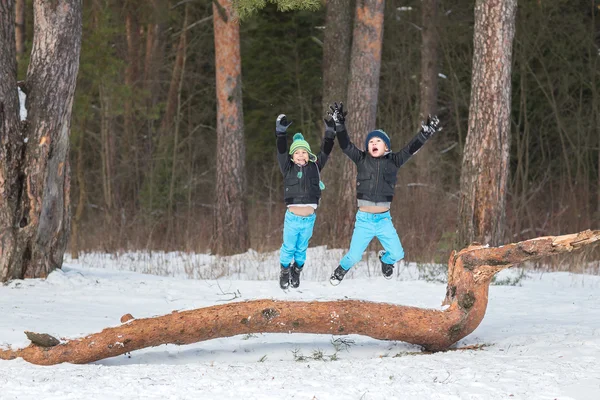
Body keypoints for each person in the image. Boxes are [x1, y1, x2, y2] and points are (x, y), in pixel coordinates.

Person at [328, 102, 440, 285]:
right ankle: (341, 269)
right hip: (364, 219)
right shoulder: (361, 159)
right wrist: (339, 125)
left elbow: (410, 148)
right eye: (371, 141)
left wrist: (425, 134)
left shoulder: (394, 161)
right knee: (354, 255)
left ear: (386, 147)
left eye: (378, 141)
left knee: (398, 253)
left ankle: (386, 260)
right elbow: (346, 146)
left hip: (383, 220)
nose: (373, 143)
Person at [276, 113, 336, 289]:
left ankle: (297, 271)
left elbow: (325, 151)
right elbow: (280, 151)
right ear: (292, 156)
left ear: (308, 155)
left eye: (304, 152)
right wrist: (280, 133)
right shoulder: (288, 168)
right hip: (292, 219)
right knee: (288, 248)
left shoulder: (314, 167)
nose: (301, 155)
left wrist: (330, 132)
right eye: (297, 153)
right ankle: (285, 271)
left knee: (301, 250)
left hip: (308, 219)